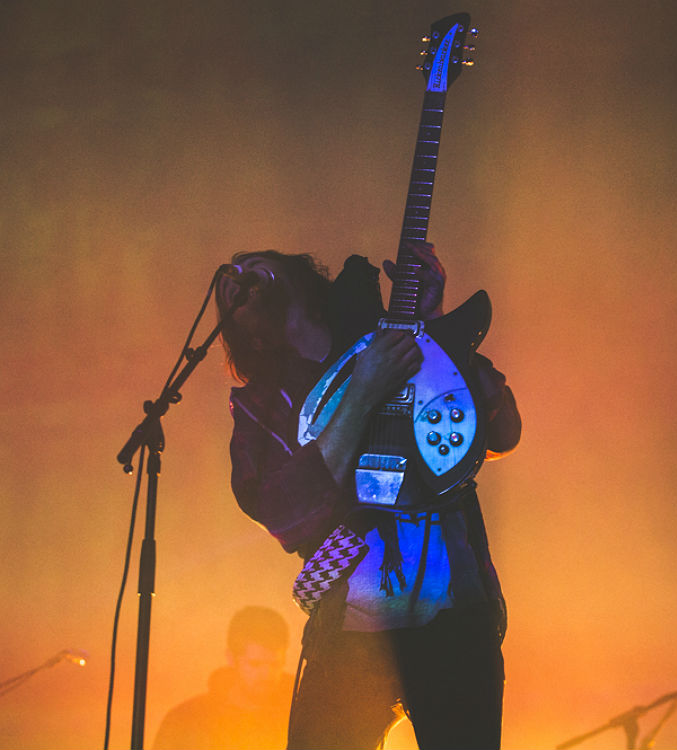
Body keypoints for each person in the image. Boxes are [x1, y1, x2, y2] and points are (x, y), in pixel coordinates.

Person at [215, 242, 522, 750]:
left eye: (256, 266)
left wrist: (436, 328)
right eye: (236, 284)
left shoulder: (387, 336)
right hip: (347, 638)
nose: (243, 272)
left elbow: (503, 430)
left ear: (301, 278)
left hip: (455, 621)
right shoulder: (260, 409)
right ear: (241, 331)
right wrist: (362, 390)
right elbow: (285, 513)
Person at [151, 606, 294, 750]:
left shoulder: (302, 721)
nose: (267, 674)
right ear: (231, 658)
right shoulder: (185, 722)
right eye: (255, 664)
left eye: (275, 664)